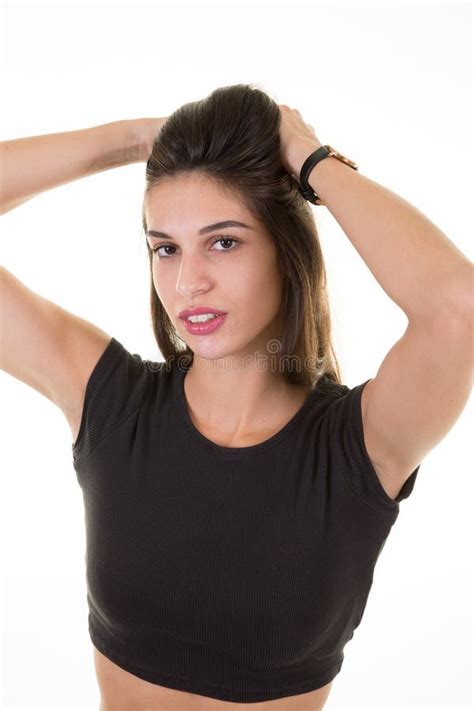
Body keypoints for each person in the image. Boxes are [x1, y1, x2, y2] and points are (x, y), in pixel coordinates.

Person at [1, 83, 472, 711]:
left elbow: (459, 309)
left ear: (286, 249)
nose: (187, 281)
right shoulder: (112, 404)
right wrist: (143, 140)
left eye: (223, 241)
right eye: (165, 247)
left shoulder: (359, 447)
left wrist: (309, 159)